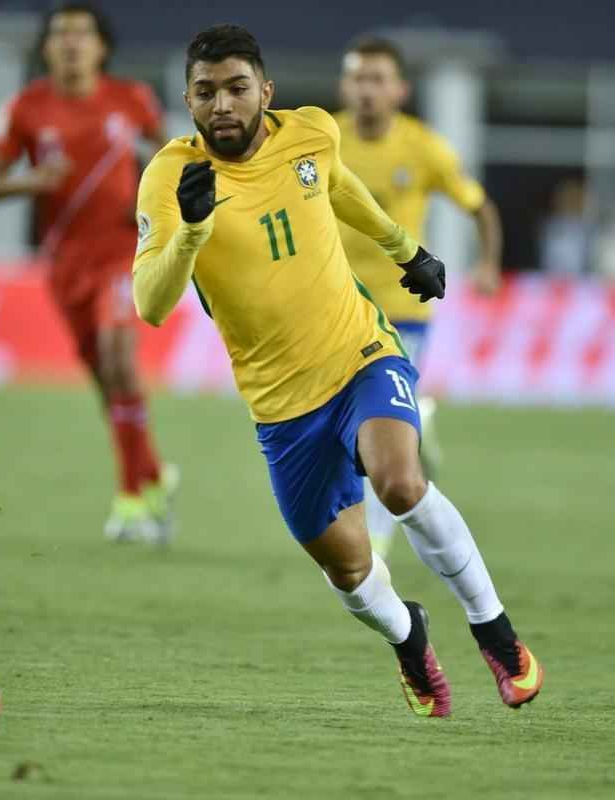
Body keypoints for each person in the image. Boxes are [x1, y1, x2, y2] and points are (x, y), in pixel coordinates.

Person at [133, 24, 543, 716]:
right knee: (351, 570)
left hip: (359, 352)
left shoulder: (313, 133)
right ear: (188, 100)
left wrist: (405, 250)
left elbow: (340, 185)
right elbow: (150, 303)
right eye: (206, 93)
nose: (223, 105)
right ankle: (410, 637)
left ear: (266, 90)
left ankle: (495, 631)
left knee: (401, 480)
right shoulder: (171, 177)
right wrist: (193, 231)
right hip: (281, 406)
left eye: (237, 88)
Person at [0, 2, 177, 543]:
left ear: (102, 47)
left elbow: (171, 161)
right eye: (60, 35)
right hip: (65, 265)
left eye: (81, 34)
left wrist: (154, 209)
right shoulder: (26, 107)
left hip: (121, 252)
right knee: (104, 382)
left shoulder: (130, 99)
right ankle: (153, 474)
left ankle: (131, 500)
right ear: (45, 48)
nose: (71, 44)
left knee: (119, 361)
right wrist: (35, 181)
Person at [336, 36, 504, 558]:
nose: (367, 90)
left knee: (378, 430)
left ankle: (378, 544)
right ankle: (421, 420)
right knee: (343, 423)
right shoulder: (326, 140)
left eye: (378, 79)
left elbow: (480, 206)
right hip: (338, 305)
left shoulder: (423, 148)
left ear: (400, 89)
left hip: (404, 310)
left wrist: (488, 263)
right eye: (359, 78)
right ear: (346, 85)